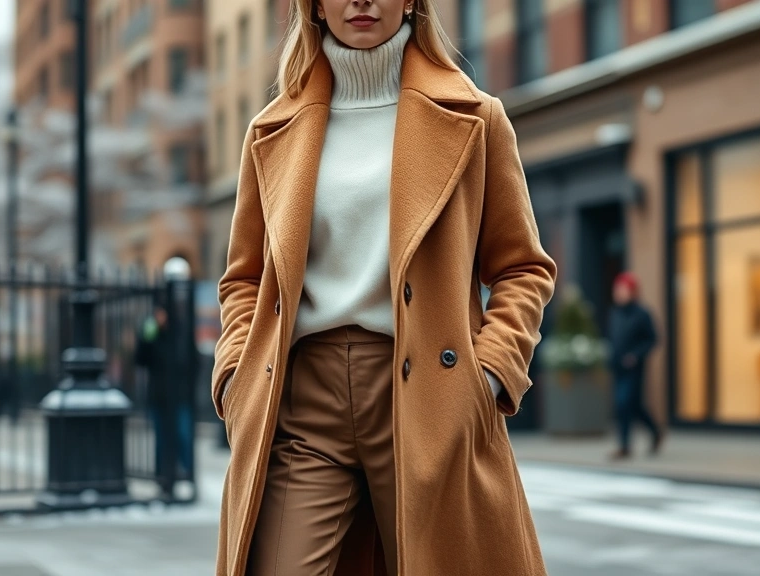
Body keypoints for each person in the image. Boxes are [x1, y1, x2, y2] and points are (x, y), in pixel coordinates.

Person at [212, 1, 557, 574]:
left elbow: (523, 267)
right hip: (303, 403)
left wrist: (488, 373)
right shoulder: (271, 129)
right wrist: (234, 376)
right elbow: (245, 279)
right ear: (315, 5)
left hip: (427, 397)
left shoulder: (476, 116)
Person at [135, 298, 195, 497]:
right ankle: (163, 480)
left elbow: (191, 360)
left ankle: (187, 475)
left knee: (183, 435)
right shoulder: (152, 335)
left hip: (180, 396)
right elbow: (140, 359)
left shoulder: (181, 333)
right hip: (158, 397)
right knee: (161, 440)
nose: (159, 317)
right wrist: (146, 336)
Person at [608, 272, 662, 460]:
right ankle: (655, 431)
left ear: (632, 292)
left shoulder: (642, 314)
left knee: (624, 404)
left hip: (634, 369)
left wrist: (635, 356)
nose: (618, 293)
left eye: (622, 290)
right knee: (633, 406)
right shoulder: (614, 313)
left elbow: (653, 339)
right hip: (617, 367)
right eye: (617, 290)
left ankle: (624, 446)